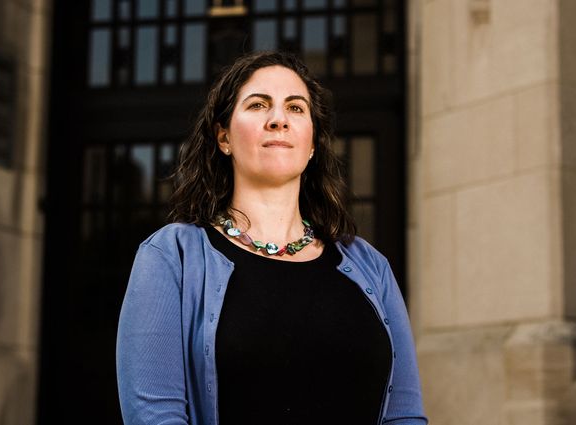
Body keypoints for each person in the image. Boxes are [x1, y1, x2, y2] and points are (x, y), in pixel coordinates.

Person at [116, 51, 427, 425]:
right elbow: (155, 416)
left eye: (296, 108)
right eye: (258, 105)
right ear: (224, 136)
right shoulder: (171, 257)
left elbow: (404, 416)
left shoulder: (370, 267)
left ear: (312, 144)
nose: (278, 120)